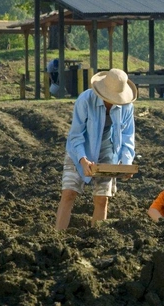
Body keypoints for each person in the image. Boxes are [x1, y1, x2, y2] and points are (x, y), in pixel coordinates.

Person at [55, 68, 138, 230]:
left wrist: (126, 164)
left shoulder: (127, 107)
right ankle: (57, 236)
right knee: (68, 194)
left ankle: (97, 238)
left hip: (108, 152)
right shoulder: (85, 100)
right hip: (79, 150)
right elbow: (76, 135)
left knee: (102, 199)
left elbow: (128, 136)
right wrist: (82, 159)